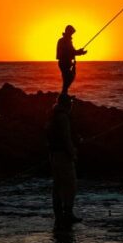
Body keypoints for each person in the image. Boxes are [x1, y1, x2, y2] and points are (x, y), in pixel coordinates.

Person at [47, 94, 80, 226]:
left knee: (57, 186)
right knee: (70, 185)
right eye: (71, 102)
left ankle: (59, 215)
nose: (72, 104)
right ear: (67, 104)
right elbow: (66, 138)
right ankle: (68, 214)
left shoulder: (53, 115)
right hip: (63, 156)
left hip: (53, 155)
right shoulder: (63, 117)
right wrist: (72, 153)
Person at [56, 25, 87, 96]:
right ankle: (63, 95)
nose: (72, 34)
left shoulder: (66, 40)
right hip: (64, 63)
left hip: (65, 62)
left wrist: (79, 52)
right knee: (68, 79)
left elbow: (72, 51)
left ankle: (64, 94)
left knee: (67, 79)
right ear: (68, 32)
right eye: (71, 33)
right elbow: (70, 52)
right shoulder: (64, 41)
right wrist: (80, 52)